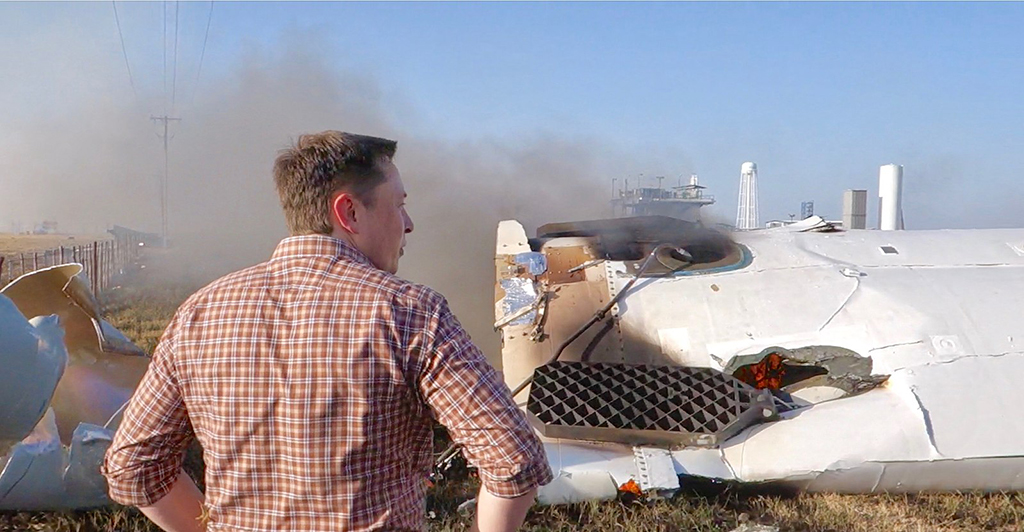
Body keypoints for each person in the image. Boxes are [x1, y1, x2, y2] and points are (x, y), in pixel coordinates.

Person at [103, 131, 552, 532]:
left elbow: (133, 469)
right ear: (349, 211)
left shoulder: (198, 314)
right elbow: (514, 461)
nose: (408, 222)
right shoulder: (411, 311)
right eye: (398, 204)